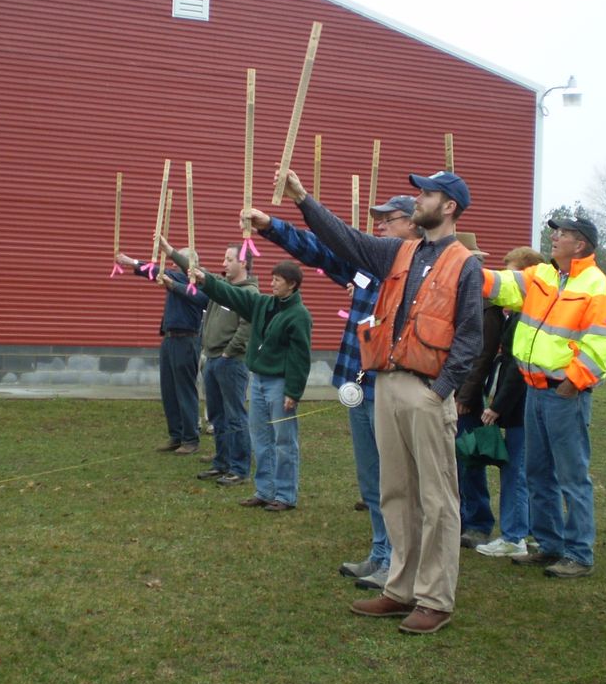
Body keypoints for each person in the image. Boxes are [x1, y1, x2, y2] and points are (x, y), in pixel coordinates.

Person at [280, 167, 482, 636]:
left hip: (428, 390)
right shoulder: (400, 252)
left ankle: (435, 598)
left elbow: (471, 335)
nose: (418, 201)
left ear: (448, 206)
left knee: (437, 499)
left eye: (427, 194)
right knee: (397, 492)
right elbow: (345, 241)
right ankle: (400, 589)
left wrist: (441, 389)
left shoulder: (464, 263)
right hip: (387, 383)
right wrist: (303, 199)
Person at [244, 195, 422, 590]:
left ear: (412, 225)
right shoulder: (367, 270)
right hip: (358, 383)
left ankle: (400, 561)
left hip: (393, 387)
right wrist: (271, 226)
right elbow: (320, 252)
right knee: (372, 478)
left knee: (397, 479)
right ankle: (380, 553)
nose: (379, 228)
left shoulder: (418, 272)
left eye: (387, 221)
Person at [483, 215, 606, 578]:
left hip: (565, 395)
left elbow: (602, 344)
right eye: (555, 232)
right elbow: (503, 285)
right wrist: (466, 269)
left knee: (572, 476)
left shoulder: (599, 288)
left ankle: (579, 553)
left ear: (580, 244)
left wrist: (572, 382)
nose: (555, 237)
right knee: (538, 471)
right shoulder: (543, 275)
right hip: (535, 390)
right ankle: (549, 545)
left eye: (562, 233)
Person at [193, 259, 312, 511]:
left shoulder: (299, 316)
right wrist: (207, 281)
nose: (272, 284)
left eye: (277, 281)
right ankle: (265, 490)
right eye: (272, 279)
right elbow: (232, 294)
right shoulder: (263, 304)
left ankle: (285, 495)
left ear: (292, 285)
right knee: (261, 437)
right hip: (258, 381)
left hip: (280, 385)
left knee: (284, 441)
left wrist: (293, 391)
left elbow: (300, 356)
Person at [161, 239, 257, 485]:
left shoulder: (248, 293)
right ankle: (222, 462)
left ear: (243, 263)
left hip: (231, 361)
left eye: (229, 259)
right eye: (224, 259)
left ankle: (240, 468)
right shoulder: (220, 288)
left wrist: (228, 353)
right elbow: (197, 272)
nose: (223, 263)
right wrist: (170, 251)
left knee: (235, 415)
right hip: (213, 358)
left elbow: (247, 328)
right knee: (217, 415)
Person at [473, 246, 545, 558]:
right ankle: (525, 530)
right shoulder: (518, 311)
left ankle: (514, 535)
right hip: (518, 401)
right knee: (522, 468)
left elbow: (517, 364)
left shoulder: (528, 314)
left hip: (520, 403)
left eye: (512, 273)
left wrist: (497, 405)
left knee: (515, 470)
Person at [115, 248, 204, 454]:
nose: (172, 265)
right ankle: (176, 434)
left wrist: (130, 261)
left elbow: (154, 270)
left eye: (178, 261)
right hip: (170, 339)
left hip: (187, 340)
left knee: (185, 390)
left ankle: (190, 438)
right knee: (169, 390)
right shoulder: (175, 277)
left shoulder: (197, 282)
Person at [454, 232, 501, 550]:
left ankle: (479, 522)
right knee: (451, 461)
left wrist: (466, 397)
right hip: (447, 390)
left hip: (465, 396)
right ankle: (456, 518)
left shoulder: (487, 307)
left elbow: (480, 357)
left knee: (471, 460)